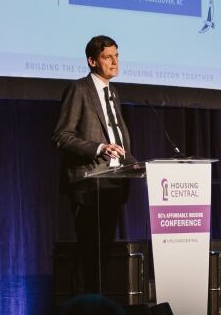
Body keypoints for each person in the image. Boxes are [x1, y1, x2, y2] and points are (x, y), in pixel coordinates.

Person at [52, 35, 136, 293]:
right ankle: (85, 305)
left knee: (103, 252)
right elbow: (62, 136)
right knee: (89, 251)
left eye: (117, 56)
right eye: (107, 57)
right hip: (88, 184)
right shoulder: (79, 90)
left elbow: (116, 136)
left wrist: (132, 162)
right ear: (92, 61)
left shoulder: (113, 92)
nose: (114, 62)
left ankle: (99, 301)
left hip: (113, 181)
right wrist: (99, 148)